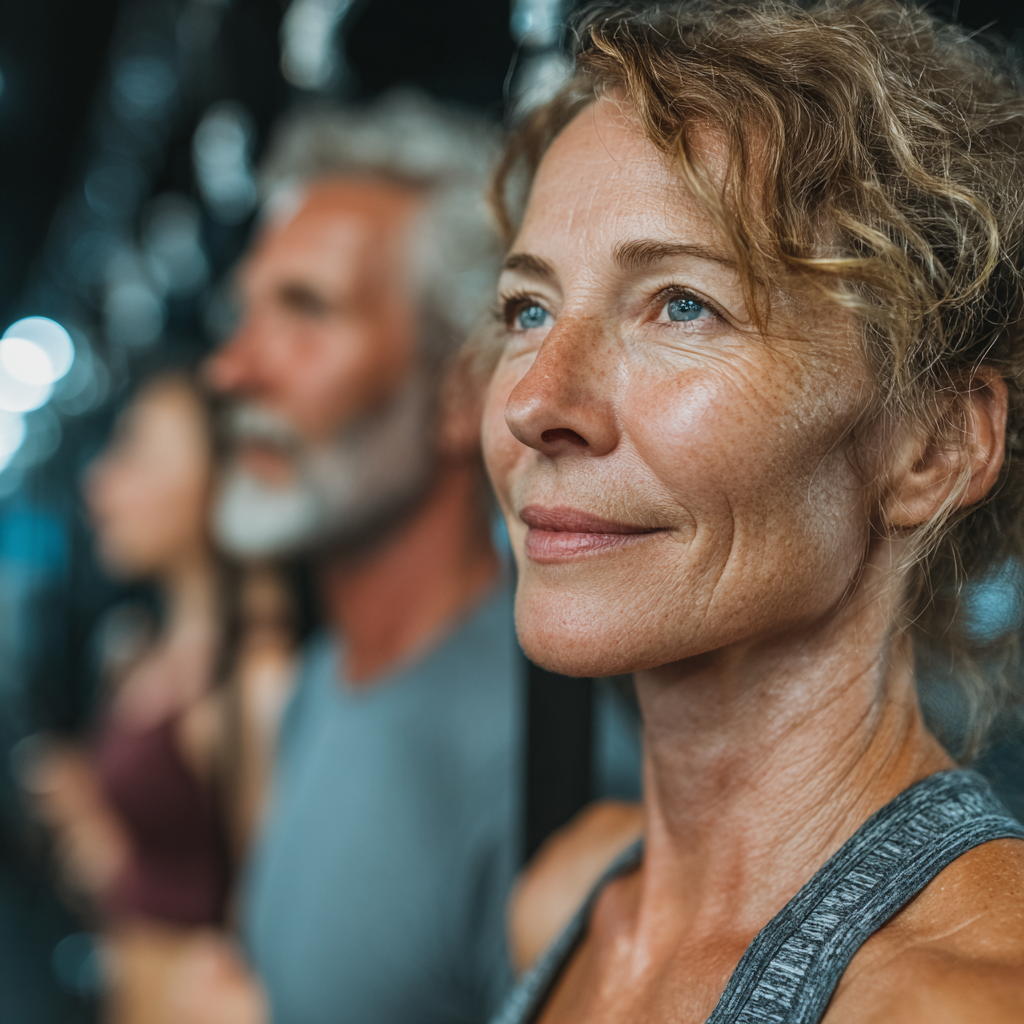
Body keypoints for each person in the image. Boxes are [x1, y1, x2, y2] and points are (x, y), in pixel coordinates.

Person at [478, 2, 1024, 1021]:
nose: (536, 401)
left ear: (934, 447)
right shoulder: (569, 903)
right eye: (529, 308)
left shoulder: (960, 1001)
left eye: (682, 304)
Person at [179, 92, 640, 1024]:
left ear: (461, 390)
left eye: (306, 311)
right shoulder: (319, 679)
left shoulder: (539, 772)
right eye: (245, 315)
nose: (232, 370)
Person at [26, 371, 233, 1023]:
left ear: (223, 479)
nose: (99, 483)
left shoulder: (242, 687)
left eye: (139, 453)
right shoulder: (137, 648)